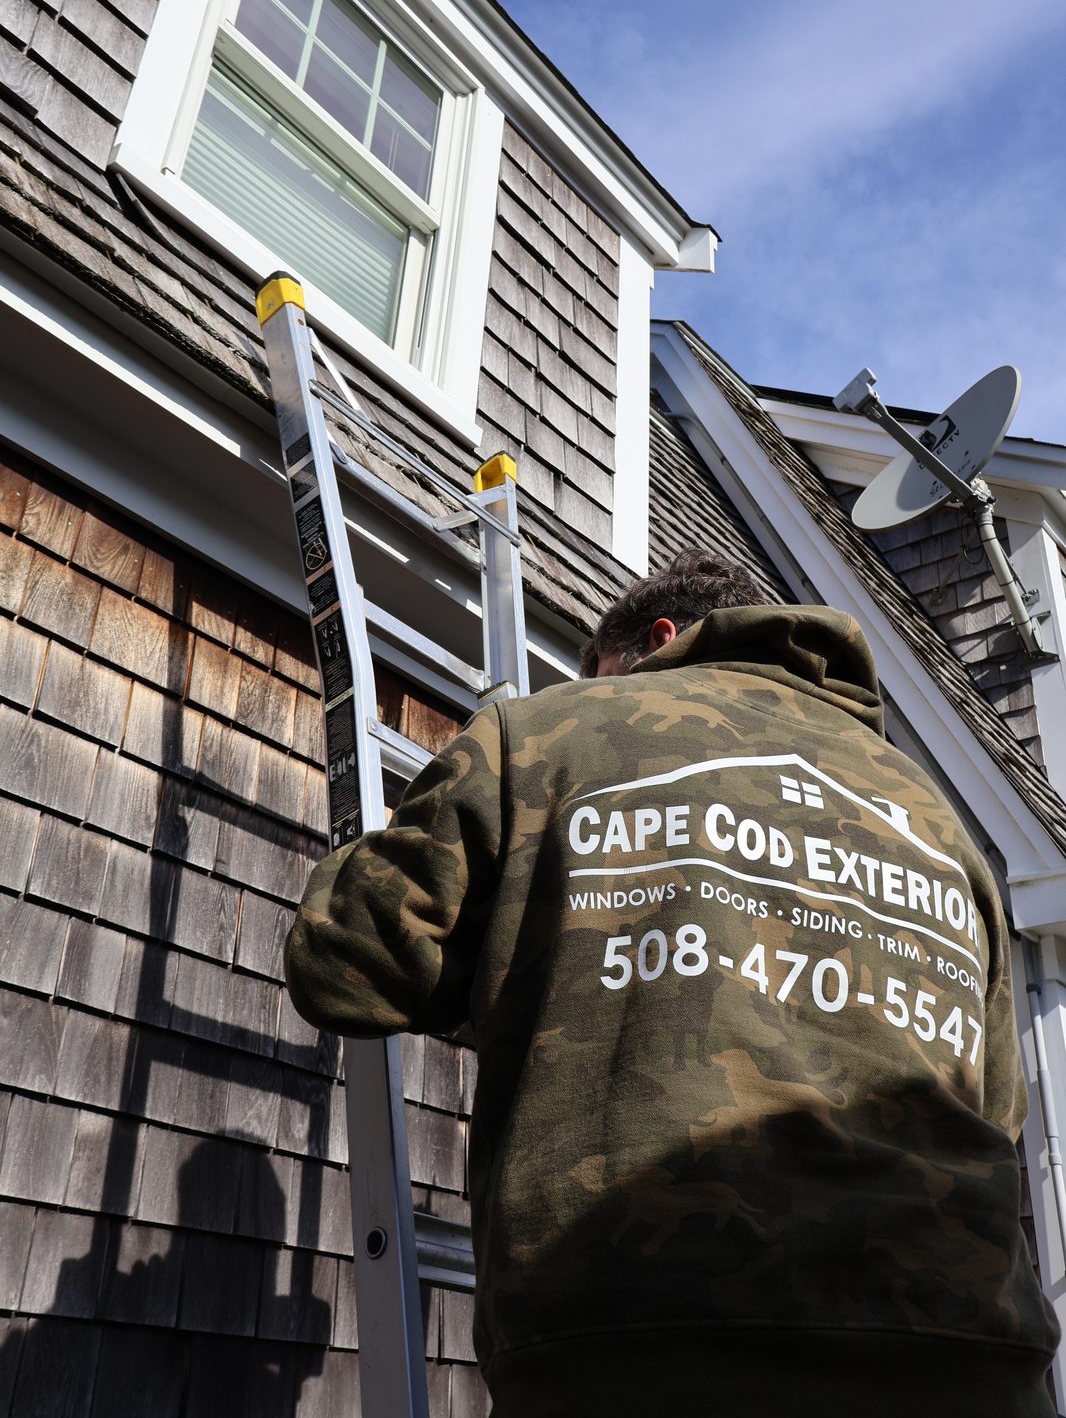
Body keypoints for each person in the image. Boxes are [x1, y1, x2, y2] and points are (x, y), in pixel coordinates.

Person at [285, 549, 1059, 1417]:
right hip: (973, 1365)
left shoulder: (542, 733)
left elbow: (344, 962)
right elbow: (997, 1119)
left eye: (601, 674)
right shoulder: (943, 833)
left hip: (648, 1352)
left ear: (659, 640)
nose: (598, 693)